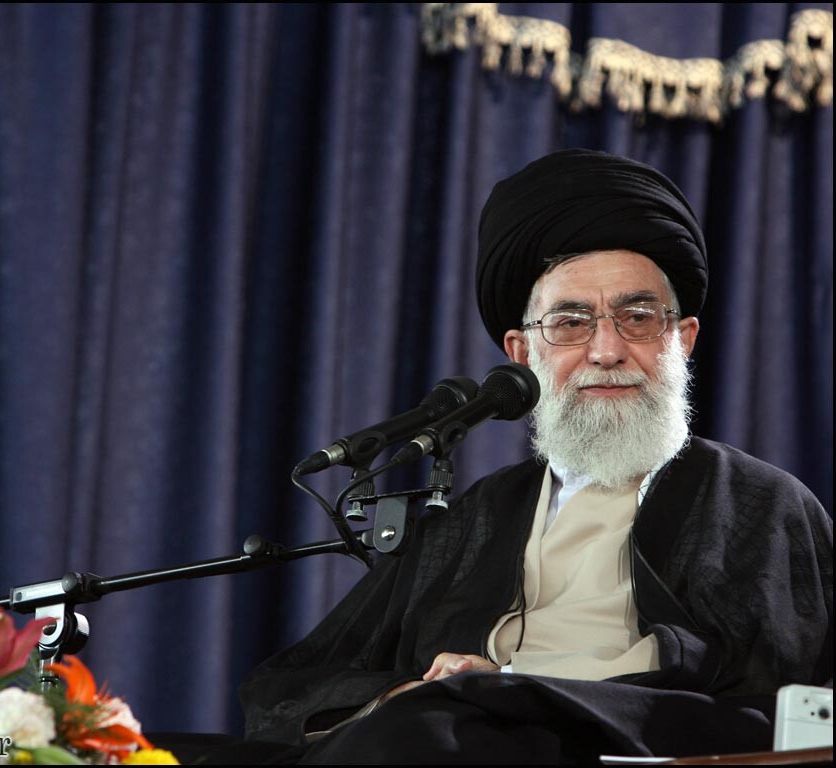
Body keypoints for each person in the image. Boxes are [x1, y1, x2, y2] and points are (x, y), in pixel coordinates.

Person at [238, 149, 833, 764]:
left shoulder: (757, 503)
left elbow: (775, 708)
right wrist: (403, 692)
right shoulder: (478, 515)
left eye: (637, 318)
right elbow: (292, 685)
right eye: (571, 323)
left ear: (682, 340)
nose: (606, 350)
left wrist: (512, 690)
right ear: (523, 354)